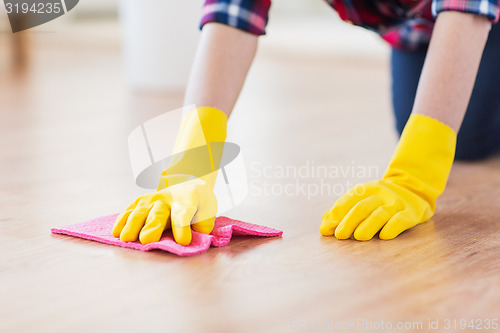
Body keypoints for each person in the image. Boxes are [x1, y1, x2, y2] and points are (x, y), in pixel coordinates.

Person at [112, 0, 500, 245]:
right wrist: (191, 167)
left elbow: (467, 6)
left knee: (461, 136)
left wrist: (416, 176)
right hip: (418, 27)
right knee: (446, 133)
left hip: (480, 16)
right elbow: (232, 13)